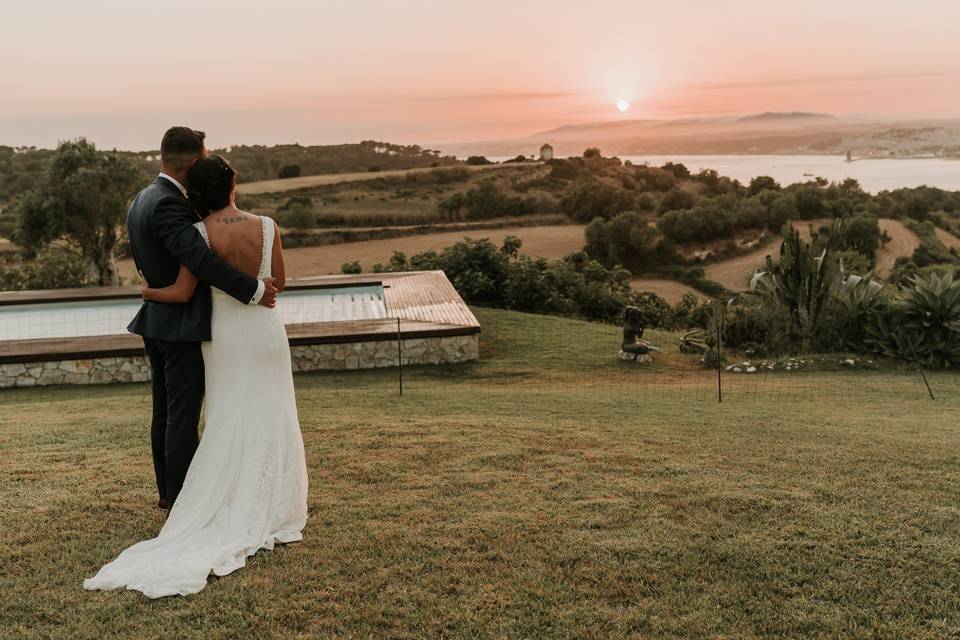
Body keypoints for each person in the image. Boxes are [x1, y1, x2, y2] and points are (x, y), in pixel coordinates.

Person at [84, 153, 308, 598]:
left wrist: (147, 289)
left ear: (197, 191)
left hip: (222, 334)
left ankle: (222, 497)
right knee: (273, 406)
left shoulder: (198, 233)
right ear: (233, 185)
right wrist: (258, 288)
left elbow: (184, 290)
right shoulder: (268, 225)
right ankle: (275, 504)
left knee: (227, 413)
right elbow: (278, 281)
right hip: (265, 331)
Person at [123, 126, 278, 511]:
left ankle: (166, 492)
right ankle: (181, 499)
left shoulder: (141, 199)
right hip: (180, 326)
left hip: (157, 319)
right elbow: (200, 260)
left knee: (165, 413)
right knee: (182, 416)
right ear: (193, 164)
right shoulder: (170, 204)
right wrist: (254, 290)